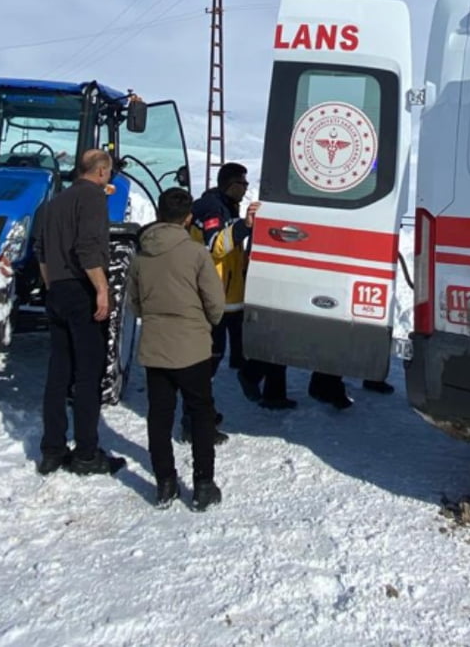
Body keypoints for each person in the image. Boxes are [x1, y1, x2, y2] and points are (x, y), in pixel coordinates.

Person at [128, 187, 227, 511]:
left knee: (159, 415)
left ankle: (165, 484)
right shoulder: (196, 253)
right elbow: (215, 303)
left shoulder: (141, 254)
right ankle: (202, 485)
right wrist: (206, 323)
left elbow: (134, 302)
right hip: (192, 345)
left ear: (158, 213)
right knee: (200, 414)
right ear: (188, 218)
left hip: (156, 343)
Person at [32, 148, 127, 477]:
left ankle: (52, 449)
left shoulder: (52, 203)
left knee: (58, 373)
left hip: (56, 290)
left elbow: (41, 251)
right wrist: (101, 289)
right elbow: (87, 247)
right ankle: (87, 453)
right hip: (81, 290)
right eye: (109, 172)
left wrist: (51, 286)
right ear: (101, 172)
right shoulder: (92, 199)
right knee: (88, 375)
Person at [192, 162, 297, 411]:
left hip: (231, 295)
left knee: (254, 342)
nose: (246, 188)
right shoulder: (212, 208)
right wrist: (244, 226)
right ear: (229, 184)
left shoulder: (227, 205)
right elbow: (216, 244)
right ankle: (195, 412)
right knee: (211, 356)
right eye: (242, 183)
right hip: (216, 295)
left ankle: (265, 388)